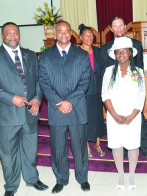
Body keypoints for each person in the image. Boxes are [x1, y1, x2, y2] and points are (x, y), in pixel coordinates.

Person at [0, 22, 48, 196]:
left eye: (15, 33)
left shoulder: (31, 55)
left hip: (30, 113)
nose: (13, 36)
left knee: (30, 150)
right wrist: (11, 98)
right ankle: (11, 185)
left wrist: (37, 99)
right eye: (8, 33)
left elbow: (39, 81)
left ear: (19, 35)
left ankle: (32, 179)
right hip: (6, 114)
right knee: (8, 154)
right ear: (2, 36)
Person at [39, 21, 91, 193]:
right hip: (56, 109)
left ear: (71, 33)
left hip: (76, 108)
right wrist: (59, 102)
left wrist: (70, 101)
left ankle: (82, 178)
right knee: (58, 147)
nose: (63, 34)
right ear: (55, 33)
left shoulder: (81, 55)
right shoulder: (45, 56)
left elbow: (85, 81)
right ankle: (61, 179)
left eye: (66, 31)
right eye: (60, 31)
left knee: (79, 146)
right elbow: (44, 83)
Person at [100, 16, 147, 161]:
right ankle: (124, 149)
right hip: (116, 92)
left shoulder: (136, 44)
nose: (119, 28)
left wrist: (137, 88)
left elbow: (138, 68)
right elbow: (104, 73)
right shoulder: (106, 48)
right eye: (115, 26)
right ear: (111, 29)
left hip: (132, 89)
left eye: (121, 26)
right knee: (118, 121)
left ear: (125, 27)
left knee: (139, 119)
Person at [102, 37, 145, 191]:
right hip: (115, 116)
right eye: (118, 52)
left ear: (130, 53)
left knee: (133, 145)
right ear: (115, 54)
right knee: (117, 144)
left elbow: (141, 95)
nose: (121, 54)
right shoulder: (109, 72)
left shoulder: (137, 72)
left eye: (124, 51)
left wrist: (132, 116)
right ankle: (121, 174)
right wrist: (114, 115)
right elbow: (105, 95)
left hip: (132, 116)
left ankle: (131, 174)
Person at [78, 24, 106, 158]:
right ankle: (87, 145)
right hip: (84, 92)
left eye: (91, 35)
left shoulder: (98, 51)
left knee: (98, 117)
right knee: (86, 118)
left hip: (98, 90)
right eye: (86, 35)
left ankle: (97, 143)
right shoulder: (76, 53)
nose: (89, 38)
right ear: (80, 37)